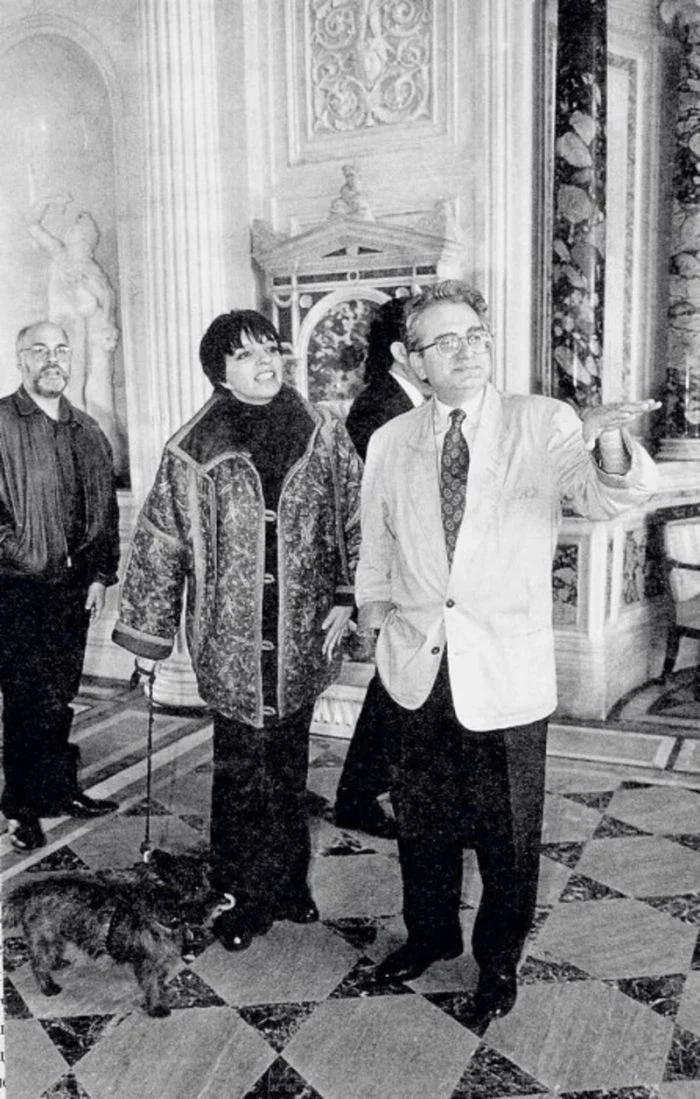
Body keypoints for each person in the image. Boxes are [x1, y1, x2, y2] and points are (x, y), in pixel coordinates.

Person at [355, 280, 660, 1024]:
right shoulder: (391, 440)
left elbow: (606, 496)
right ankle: (429, 935)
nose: (466, 351)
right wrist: (373, 615)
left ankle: (497, 965)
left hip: (505, 667)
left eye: (475, 336)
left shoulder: (541, 421)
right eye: (445, 341)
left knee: (509, 836)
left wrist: (607, 440)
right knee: (422, 824)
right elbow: (376, 543)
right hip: (418, 663)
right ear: (412, 359)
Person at [112, 309, 362, 952]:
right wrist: (147, 643)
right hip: (231, 644)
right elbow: (161, 545)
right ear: (220, 373)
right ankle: (242, 895)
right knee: (242, 776)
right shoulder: (191, 450)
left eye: (270, 349)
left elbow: (355, 515)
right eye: (247, 354)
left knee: (289, 767)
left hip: (303, 635)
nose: (265, 362)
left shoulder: (322, 432)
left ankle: (289, 883)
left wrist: (349, 594)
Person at [0, 321, 120, 852]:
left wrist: (99, 574)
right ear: (20, 359)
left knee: (60, 696)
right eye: (40, 350)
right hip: (17, 587)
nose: (53, 359)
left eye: (62, 350)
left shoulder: (87, 429)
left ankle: (59, 789)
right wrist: (22, 554)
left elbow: (104, 511)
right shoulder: (1, 422)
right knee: (26, 701)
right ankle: (21, 808)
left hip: (74, 588)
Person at [335, 297, 428, 837]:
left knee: (400, 689)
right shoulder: (380, 409)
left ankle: (369, 793)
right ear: (399, 351)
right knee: (395, 691)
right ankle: (359, 796)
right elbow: (373, 506)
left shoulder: (408, 402)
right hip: (394, 575)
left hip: (413, 575)